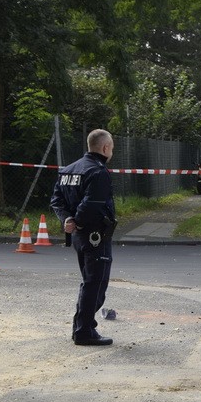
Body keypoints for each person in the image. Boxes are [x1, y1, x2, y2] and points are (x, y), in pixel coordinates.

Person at [51, 129, 118, 346]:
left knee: (89, 282)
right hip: (95, 235)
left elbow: (56, 200)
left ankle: (81, 327)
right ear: (105, 148)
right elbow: (92, 203)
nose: (112, 152)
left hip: (79, 237)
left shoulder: (68, 170)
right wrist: (77, 220)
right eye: (112, 148)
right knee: (96, 284)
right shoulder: (98, 172)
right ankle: (84, 331)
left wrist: (68, 220)